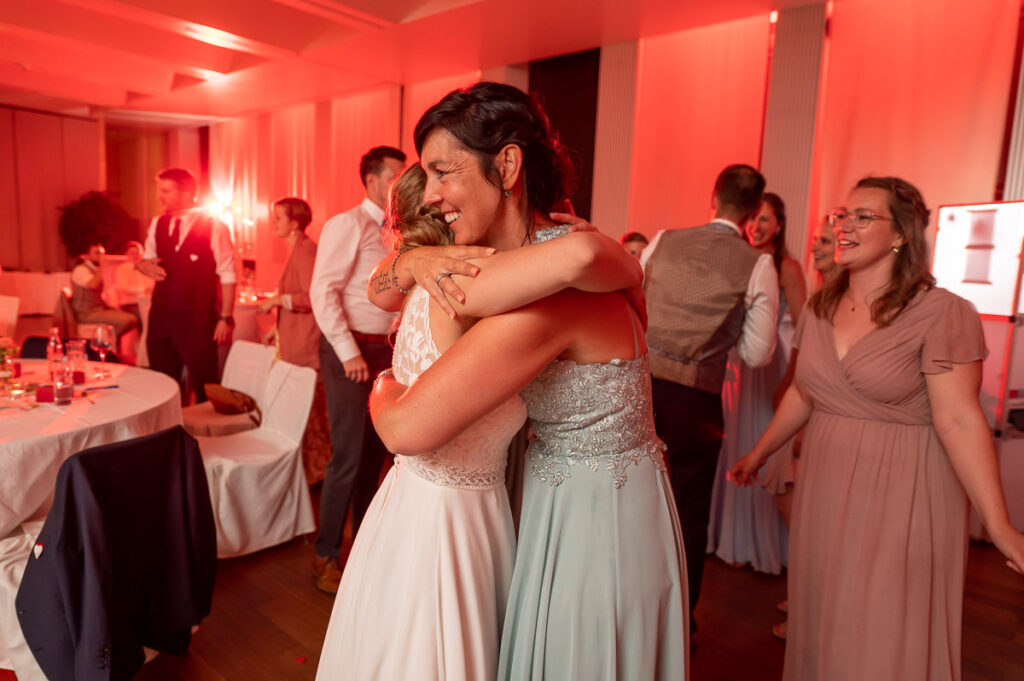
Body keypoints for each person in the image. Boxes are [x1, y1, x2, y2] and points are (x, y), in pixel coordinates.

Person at [367, 82, 688, 681]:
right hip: (589, 495)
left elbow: (406, 427)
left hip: (594, 521)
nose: (429, 195)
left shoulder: (557, 284)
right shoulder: (552, 253)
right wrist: (409, 262)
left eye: (442, 172)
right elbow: (381, 288)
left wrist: (384, 383)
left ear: (507, 166)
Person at [316, 160, 642, 680]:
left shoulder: (424, 288)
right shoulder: (467, 291)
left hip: (421, 499)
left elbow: (376, 291)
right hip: (451, 515)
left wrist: (410, 264)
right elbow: (407, 421)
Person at [731, 176, 1024, 681]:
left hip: (903, 490)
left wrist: (999, 528)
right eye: (842, 215)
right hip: (827, 483)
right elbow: (804, 392)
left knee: (884, 623)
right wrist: (759, 452)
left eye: (863, 217)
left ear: (901, 235)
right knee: (828, 612)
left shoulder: (942, 313)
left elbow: (958, 419)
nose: (844, 227)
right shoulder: (821, 307)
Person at [639, 163, 779, 632]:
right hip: (695, 402)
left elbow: (631, 304)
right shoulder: (758, 264)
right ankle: (679, 620)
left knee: (627, 494)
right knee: (687, 509)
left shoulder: (664, 239)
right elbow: (758, 354)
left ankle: (625, 605)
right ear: (755, 209)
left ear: (714, 193)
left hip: (635, 387)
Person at [308, 145, 406, 593]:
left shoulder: (398, 229)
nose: (401, 185)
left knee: (375, 456)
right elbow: (323, 291)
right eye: (394, 177)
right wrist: (347, 352)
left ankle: (364, 547)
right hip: (350, 352)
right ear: (371, 180)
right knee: (347, 456)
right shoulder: (347, 224)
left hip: (386, 351)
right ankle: (326, 554)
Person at [707, 192, 806, 575]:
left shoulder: (788, 267)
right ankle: (728, 538)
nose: (757, 226)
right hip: (733, 370)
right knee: (729, 445)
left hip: (769, 371)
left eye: (766, 219)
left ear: (778, 225)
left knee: (760, 447)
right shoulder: (739, 261)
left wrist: (789, 380)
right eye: (754, 218)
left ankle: (764, 544)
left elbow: (803, 332)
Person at [136, 169, 236, 403]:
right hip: (160, 317)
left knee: (205, 383)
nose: (160, 197)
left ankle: (206, 436)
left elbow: (228, 273)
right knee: (162, 384)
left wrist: (226, 317)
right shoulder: (157, 223)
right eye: (159, 191)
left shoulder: (214, 226)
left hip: (197, 319)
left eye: (165, 191)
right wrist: (142, 265)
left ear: (187, 192)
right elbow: (147, 259)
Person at [260, 198, 330, 484]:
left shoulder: (305, 251)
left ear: (294, 223)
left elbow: (313, 297)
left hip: (305, 349)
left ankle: (317, 474)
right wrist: (276, 330)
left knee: (311, 416)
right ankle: (309, 473)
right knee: (303, 413)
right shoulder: (298, 250)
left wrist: (278, 300)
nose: (273, 223)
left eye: (278, 218)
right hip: (294, 343)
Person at [69, 243, 138, 342]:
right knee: (126, 321)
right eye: (97, 253)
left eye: (102, 253)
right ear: (85, 256)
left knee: (132, 319)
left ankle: (109, 343)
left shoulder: (94, 270)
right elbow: (93, 284)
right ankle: (105, 344)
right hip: (86, 313)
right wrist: (102, 266)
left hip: (98, 309)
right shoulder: (80, 270)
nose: (101, 256)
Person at [112, 241, 152, 332]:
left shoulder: (147, 269)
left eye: (138, 253)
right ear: (127, 254)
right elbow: (125, 288)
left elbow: (152, 286)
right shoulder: (122, 269)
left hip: (147, 303)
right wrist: (144, 289)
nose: (136, 256)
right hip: (130, 304)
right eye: (132, 253)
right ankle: (144, 343)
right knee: (144, 317)